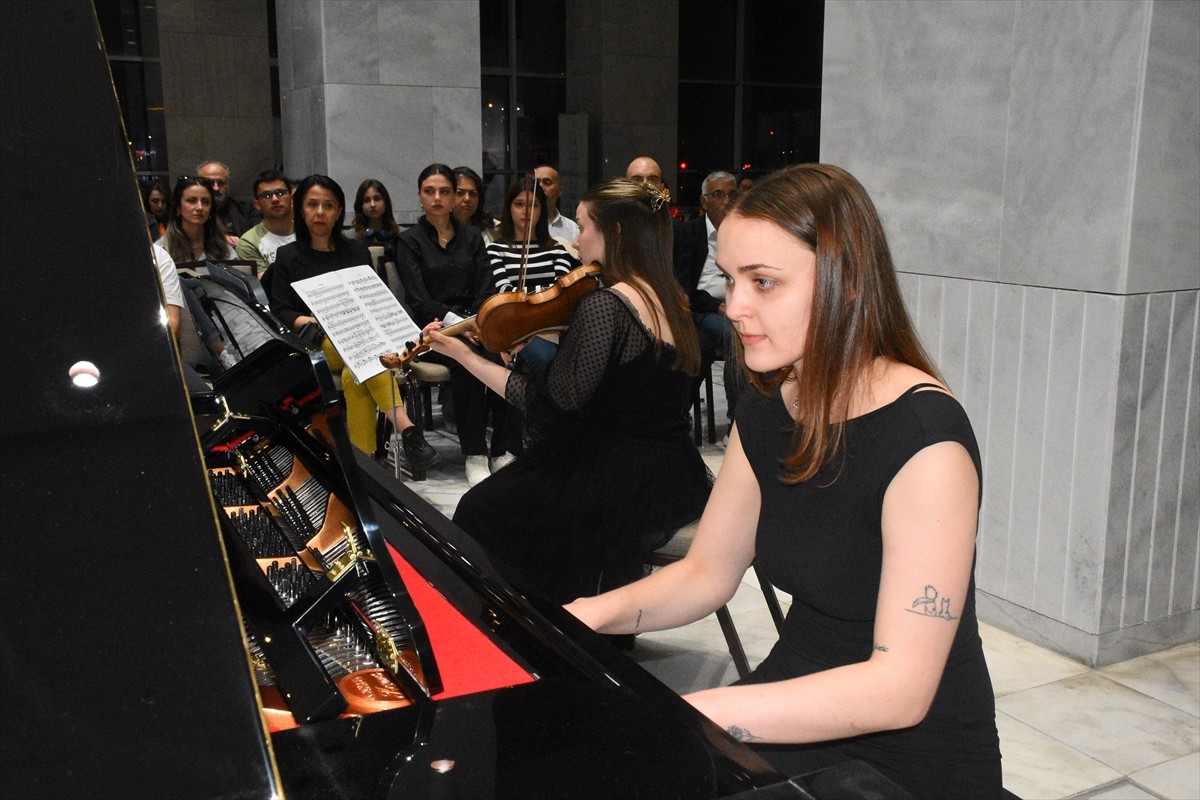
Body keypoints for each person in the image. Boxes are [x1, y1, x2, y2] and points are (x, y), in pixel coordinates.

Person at [565, 164, 1002, 798]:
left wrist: (695, 716)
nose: (733, 306)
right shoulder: (771, 402)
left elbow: (900, 689)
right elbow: (707, 573)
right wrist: (584, 614)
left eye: (763, 282)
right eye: (733, 278)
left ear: (845, 285)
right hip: (799, 682)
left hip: (912, 755)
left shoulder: (927, 438)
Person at [420, 177, 711, 605]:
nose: (575, 242)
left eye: (582, 227)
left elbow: (546, 408)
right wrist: (541, 342)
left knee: (480, 509)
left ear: (614, 233)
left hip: (613, 475)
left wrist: (464, 356)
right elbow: (625, 374)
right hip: (668, 469)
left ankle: (533, 629)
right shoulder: (672, 299)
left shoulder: (606, 303)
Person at [268, 174, 438, 469]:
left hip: (359, 337)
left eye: (328, 205)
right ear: (301, 210)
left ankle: (364, 466)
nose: (320, 212)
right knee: (366, 358)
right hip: (317, 340)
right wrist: (318, 318)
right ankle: (407, 429)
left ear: (338, 212)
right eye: (312, 205)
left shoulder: (356, 251)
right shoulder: (288, 256)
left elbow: (371, 298)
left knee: (355, 373)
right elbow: (282, 310)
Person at [396, 163, 497, 486]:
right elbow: (418, 298)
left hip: (474, 323)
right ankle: (476, 453)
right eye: (430, 191)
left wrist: (478, 321)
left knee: (504, 352)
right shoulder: (409, 240)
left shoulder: (471, 237)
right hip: (431, 330)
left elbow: (485, 286)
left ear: (455, 197)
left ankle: (505, 449)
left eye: (444, 191)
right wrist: (461, 325)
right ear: (420, 196)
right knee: (465, 357)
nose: (437, 198)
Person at [674, 169, 744, 431]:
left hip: (735, 306)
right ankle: (737, 422)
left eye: (732, 194)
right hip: (700, 309)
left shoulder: (743, 233)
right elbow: (683, 285)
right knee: (733, 336)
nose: (727, 200)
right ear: (704, 202)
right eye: (718, 194)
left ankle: (746, 420)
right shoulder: (689, 233)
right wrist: (717, 306)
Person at [157, 175, 237, 265]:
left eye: (205, 202)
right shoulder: (161, 249)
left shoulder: (223, 248)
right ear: (178, 208)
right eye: (191, 201)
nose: (200, 207)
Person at [236, 170, 295, 275]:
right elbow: (265, 284)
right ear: (257, 204)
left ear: (291, 198)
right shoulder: (249, 242)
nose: (275, 199)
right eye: (266, 195)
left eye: (280, 193)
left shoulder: (310, 231)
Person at [345, 178, 401, 265]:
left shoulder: (401, 235)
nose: (372, 205)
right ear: (360, 206)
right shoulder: (349, 238)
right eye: (367, 200)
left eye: (377, 199)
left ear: (385, 202)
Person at [198, 160, 258, 237]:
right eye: (209, 183)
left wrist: (242, 244)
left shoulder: (247, 209)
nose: (216, 188)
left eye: (221, 182)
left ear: (228, 185)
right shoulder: (189, 211)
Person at [533, 164, 580, 250]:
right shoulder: (522, 226)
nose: (540, 187)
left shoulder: (573, 229)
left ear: (560, 190)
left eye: (547, 182)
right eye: (536, 183)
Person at [451, 166, 496, 242]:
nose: (467, 199)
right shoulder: (436, 229)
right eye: (460, 193)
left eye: (473, 194)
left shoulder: (493, 229)